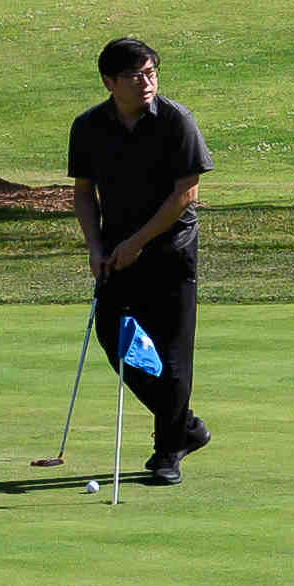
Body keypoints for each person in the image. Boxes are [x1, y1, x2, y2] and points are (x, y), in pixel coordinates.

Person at [69, 33, 215, 478]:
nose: (146, 82)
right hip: (116, 253)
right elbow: (82, 194)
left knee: (171, 355)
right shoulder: (89, 126)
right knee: (116, 342)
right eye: (135, 75)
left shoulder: (176, 121)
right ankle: (185, 425)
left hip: (171, 252)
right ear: (109, 82)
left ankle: (168, 450)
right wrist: (95, 246)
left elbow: (185, 194)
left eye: (151, 73)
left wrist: (138, 243)